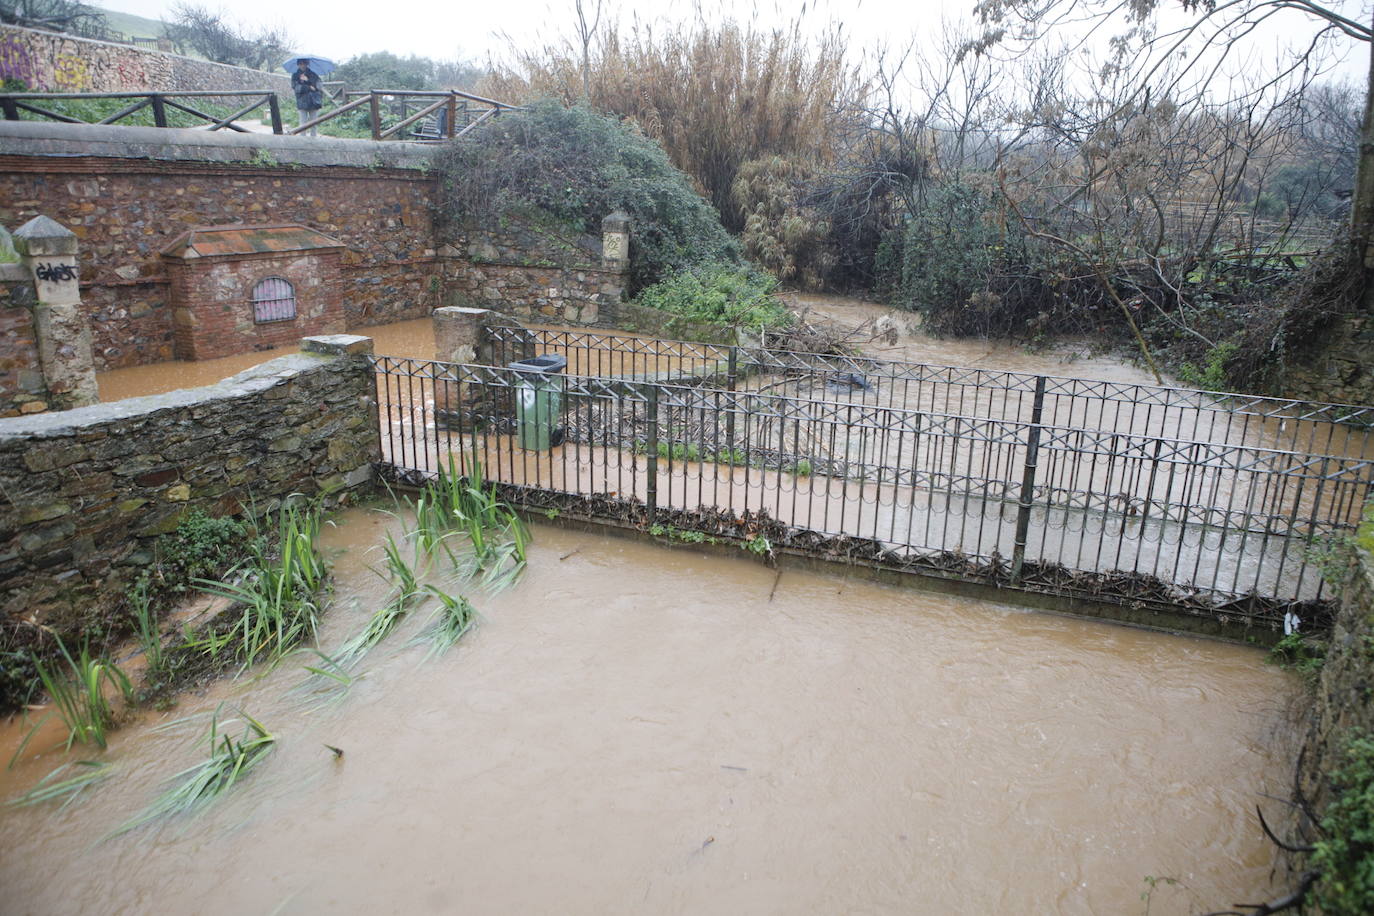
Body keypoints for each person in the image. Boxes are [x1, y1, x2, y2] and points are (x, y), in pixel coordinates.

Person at [293, 59, 323, 136]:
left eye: (304, 63)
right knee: (303, 124)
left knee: (314, 123)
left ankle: (314, 141)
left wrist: (307, 80)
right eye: (300, 64)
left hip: (313, 102)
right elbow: (296, 88)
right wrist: (309, 87)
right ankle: (303, 142)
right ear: (298, 65)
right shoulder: (295, 76)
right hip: (301, 101)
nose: (302, 65)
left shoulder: (313, 74)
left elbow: (318, 87)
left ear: (307, 64)